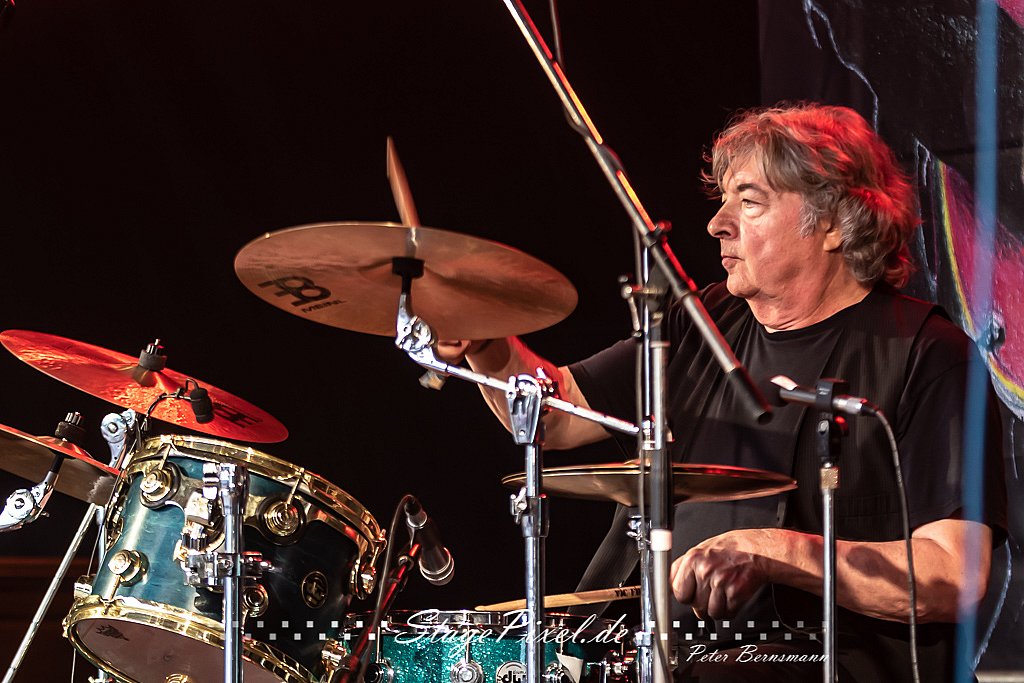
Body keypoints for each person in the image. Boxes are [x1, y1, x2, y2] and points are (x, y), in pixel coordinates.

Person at [438, 103, 1006, 682]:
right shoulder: (704, 322)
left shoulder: (929, 354)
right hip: (669, 660)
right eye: (724, 199)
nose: (717, 223)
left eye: (749, 201)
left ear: (835, 222)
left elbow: (952, 576)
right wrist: (485, 336)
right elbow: (552, 415)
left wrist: (774, 551)